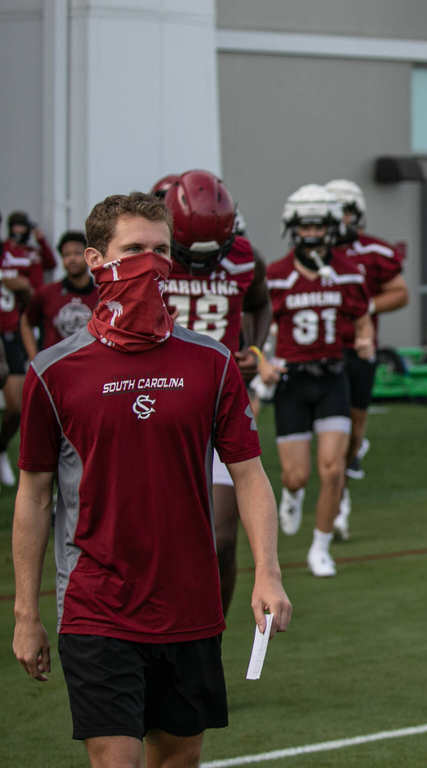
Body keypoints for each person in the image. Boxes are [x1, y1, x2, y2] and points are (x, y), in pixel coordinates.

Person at [10, 191, 290, 768]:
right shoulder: (53, 373)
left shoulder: (211, 363)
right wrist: (25, 613)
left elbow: (250, 475)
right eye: (133, 249)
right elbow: (34, 497)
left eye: (161, 251)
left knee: (177, 761)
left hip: (190, 602)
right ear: (95, 261)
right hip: (95, 602)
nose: (151, 263)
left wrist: (268, 572)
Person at [159, 169, 272, 615]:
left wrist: (255, 348)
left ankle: (211, 636)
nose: (204, 262)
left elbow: (261, 302)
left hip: (221, 401)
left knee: (222, 537)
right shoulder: (148, 258)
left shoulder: (246, 257)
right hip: (160, 403)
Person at [258, 185, 374, 578]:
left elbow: (361, 316)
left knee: (332, 469)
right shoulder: (275, 275)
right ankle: (292, 493)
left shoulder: (347, 270)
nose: (311, 234)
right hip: (292, 380)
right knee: (297, 474)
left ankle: (320, 547)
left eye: (318, 226)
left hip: (331, 377)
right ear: (293, 228)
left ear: (330, 228)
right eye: (304, 226)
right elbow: (259, 327)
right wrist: (262, 363)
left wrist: (365, 338)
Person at [326, 178, 410, 539]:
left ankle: (340, 484)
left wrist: (365, 306)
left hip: (360, 349)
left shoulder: (375, 251)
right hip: (320, 351)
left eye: (344, 211)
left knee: (354, 427)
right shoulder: (313, 251)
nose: (338, 219)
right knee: (333, 429)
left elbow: (400, 293)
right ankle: (337, 494)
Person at [0, 211, 57, 486]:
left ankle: (0, 450)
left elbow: (38, 287)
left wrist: (23, 289)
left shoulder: (31, 254)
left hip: (10, 329)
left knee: (15, 407)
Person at [20, 231, 98, 360]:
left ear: (89, 257)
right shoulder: (46, 293)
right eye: (66, 254)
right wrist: (35, 359)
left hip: (90, 367)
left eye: (77, 253)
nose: (72, 258)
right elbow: (26, 322)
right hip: (54, 369)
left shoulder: (103, 294)